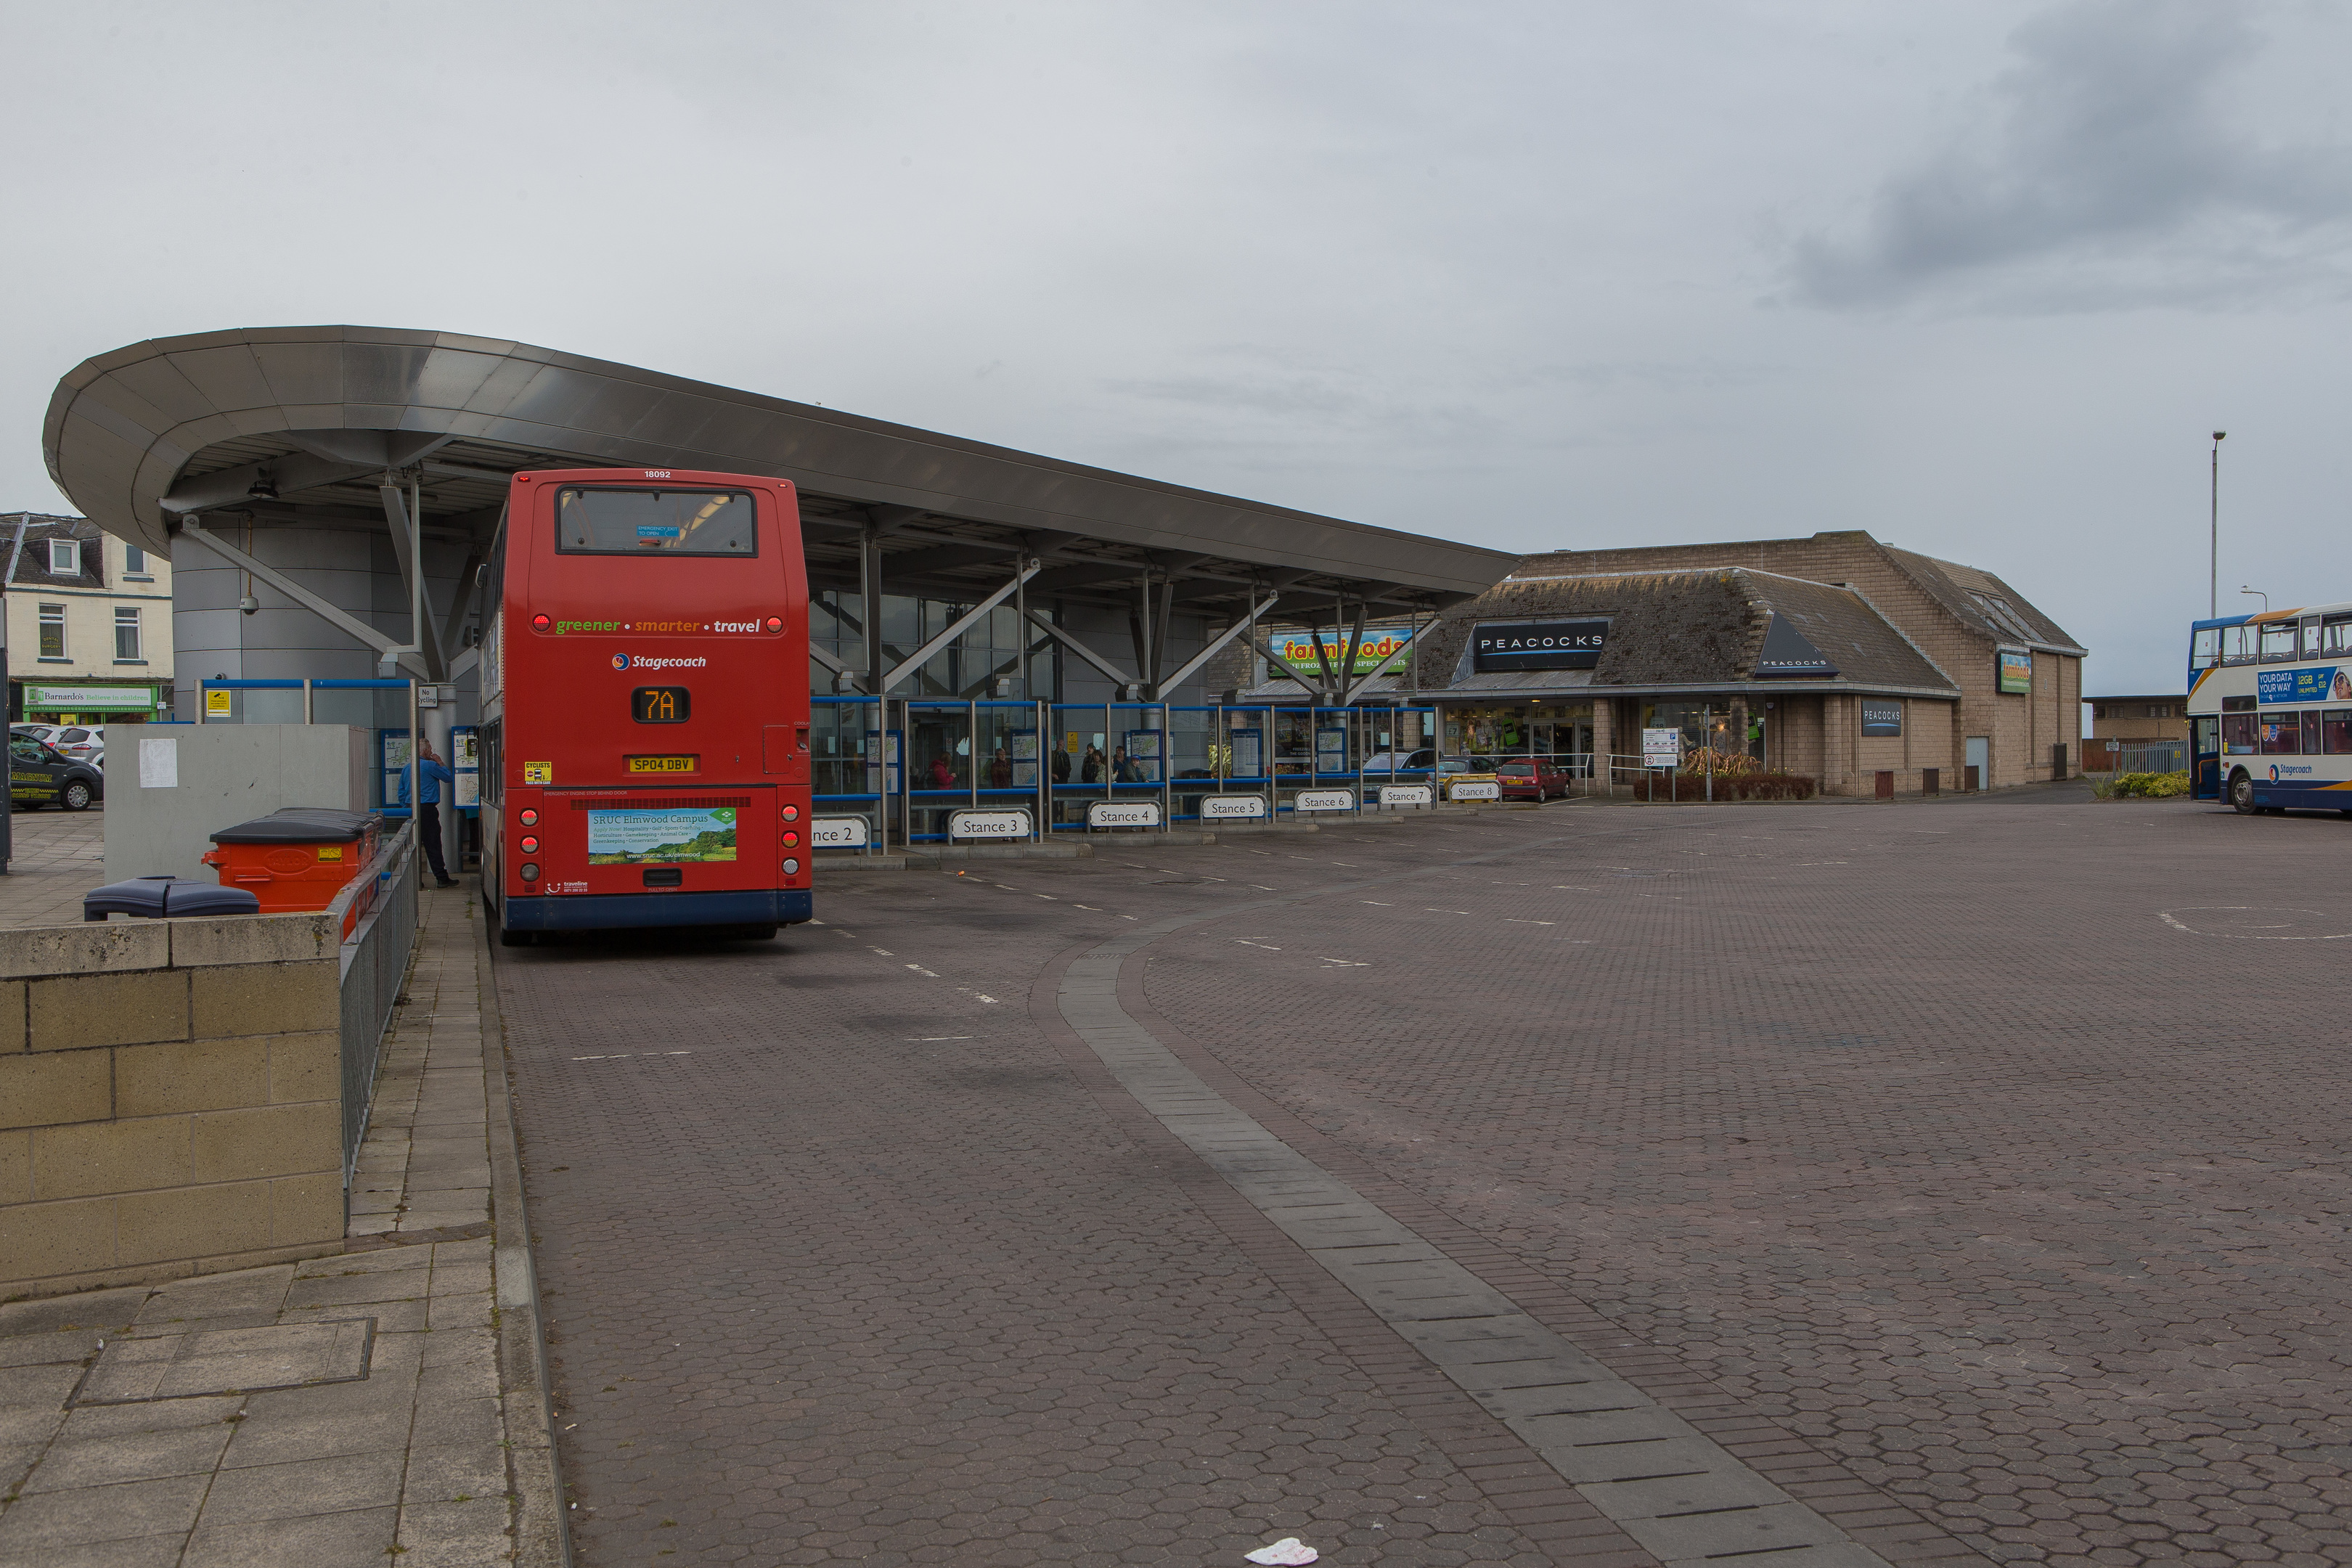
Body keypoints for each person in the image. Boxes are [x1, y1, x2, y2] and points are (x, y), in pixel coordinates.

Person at [397, 737, 459, 888]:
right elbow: (448, 777)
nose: (431, 753)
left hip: (411, 809)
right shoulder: (430, 765)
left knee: (412, 844)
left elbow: (401, 791)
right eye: (430, 750)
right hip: (427, 809)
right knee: (433, 844)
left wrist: (406, 806)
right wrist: (440, 762)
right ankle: (441, 878)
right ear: (424, 751)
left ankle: (413, 880)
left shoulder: (407, 768)